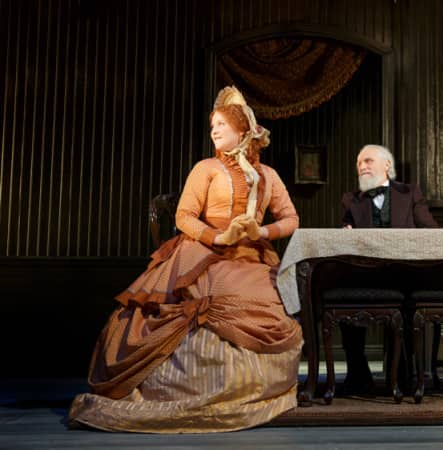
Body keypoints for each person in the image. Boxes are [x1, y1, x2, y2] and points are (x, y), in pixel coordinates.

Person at [68, 86, 304, 433]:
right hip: (205, 251)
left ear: (243, 130)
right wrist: (218, 236)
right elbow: (185, 217)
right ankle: (189, 387)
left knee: (267, 299)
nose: (215, 131)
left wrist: (261, 232)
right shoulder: (206, 168)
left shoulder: (268, 176)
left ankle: (251, 388)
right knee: (211, 293)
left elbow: (291, 219)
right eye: (213, 126)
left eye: (222, 124)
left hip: (252, 255)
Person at [338, 144, 437, 394]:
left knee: (409, 302)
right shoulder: (351, 199)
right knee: (341, 292)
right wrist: (346, 232)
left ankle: (405, 377)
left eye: (368, 161)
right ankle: (358, 376)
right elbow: (345, 231)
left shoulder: (410, 192)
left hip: (405, 272)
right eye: (359, 163)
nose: (362, 167)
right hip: (365, 273)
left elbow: (431, 231)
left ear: (387, 166)